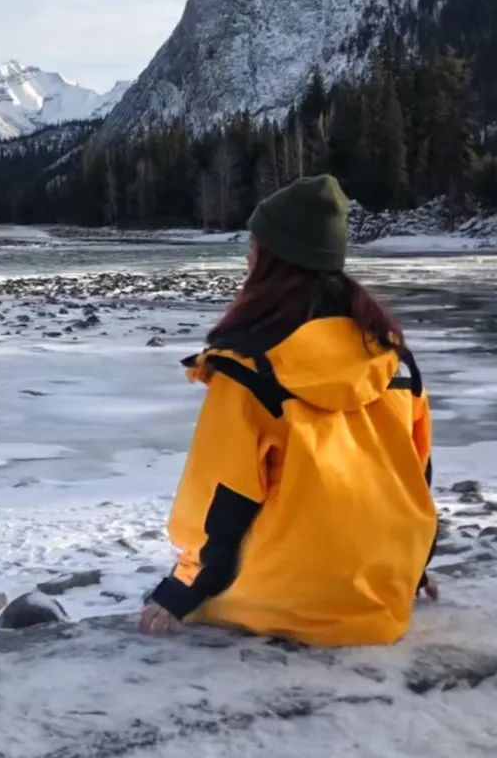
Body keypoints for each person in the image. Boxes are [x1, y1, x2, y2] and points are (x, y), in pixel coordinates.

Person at [140, 174, 437, 646]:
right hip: (384, 597)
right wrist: (414, 570)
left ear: (273, 262)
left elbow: (219, 503)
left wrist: (177, 592)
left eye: (254, 246)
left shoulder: (249, 370)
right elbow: (415, 478)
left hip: (292, 603)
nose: (246, 257)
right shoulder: (392, 358)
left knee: (212, 581)